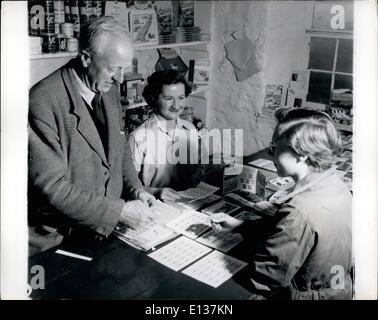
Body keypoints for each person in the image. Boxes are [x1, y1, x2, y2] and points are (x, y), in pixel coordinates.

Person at [28, 16, 158, 256]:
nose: (120, 78)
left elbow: (119, 150)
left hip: (103, 233)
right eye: (112, 68)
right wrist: (118, 212)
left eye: (123, 69)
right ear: (86, 58)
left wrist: (136, 189)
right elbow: (51, 189)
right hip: (57, 241)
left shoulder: (107, 88)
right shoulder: (42, 101)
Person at [210, 108, 352, 300]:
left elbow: (265, 277)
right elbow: (294, 229)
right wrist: (241, 225)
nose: (270, 154)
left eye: (275, 148)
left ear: (302, 154)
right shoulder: (336, 184)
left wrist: (219, 258)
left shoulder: (299, 209)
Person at [128, 70, 202, 202]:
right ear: (154, 99)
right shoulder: (138, 137)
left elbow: (193, 176)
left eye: (181, 97)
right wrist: (155, 192)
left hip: (188, 204)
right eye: (169, 99)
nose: (176, 105)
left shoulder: (190, 129)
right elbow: (126, 187)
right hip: (153, 206)